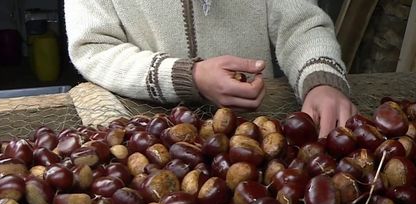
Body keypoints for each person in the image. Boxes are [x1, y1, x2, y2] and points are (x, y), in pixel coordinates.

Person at [64, 0, 357, 138]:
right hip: (148, 142)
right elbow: (94, 47)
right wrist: (187, 77)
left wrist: (321, 80)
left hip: (256, 138)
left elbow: (302, 25)